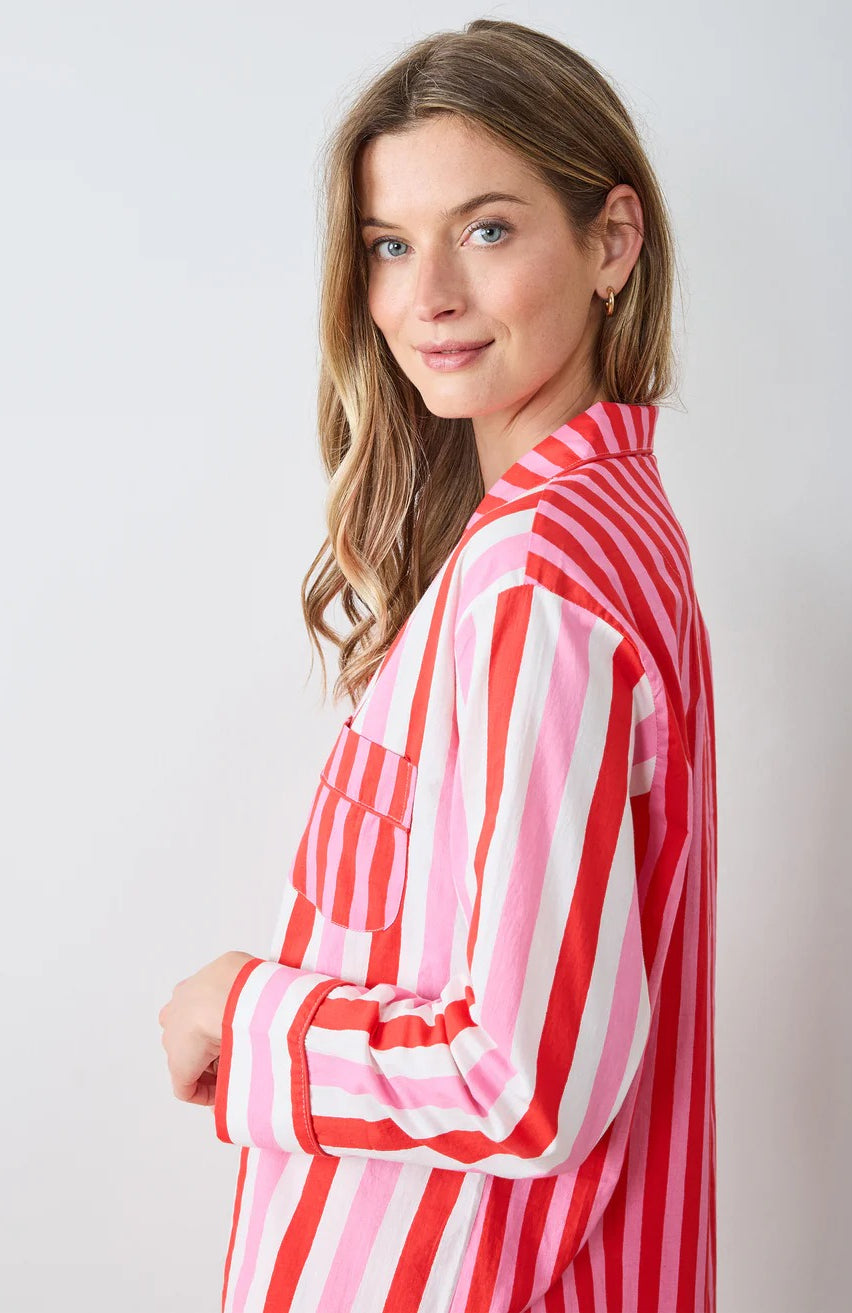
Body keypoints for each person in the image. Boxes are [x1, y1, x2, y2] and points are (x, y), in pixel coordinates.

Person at [158, 17, 717, 1312]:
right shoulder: (601, 527)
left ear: (612, 242)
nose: (429, 297)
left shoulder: (538, 581)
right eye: (390, 245)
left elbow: (522, 1084)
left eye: (489, 229)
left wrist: (244, 1012)